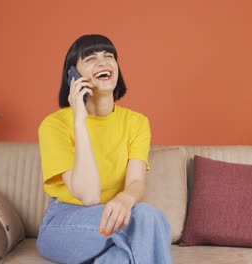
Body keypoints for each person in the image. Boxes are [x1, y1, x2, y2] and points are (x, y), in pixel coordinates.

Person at [37, 34, 172, 264]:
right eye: (90, 58)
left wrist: (126, 198)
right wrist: (80, 120)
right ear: (73, 77)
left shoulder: (136, 122)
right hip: (64, 224)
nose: (103, 62)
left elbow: (136, 183)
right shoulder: (54, 125)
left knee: (124, 253)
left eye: (109, 56)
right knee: (148, 219)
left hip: (115, 217)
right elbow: (89, 196)